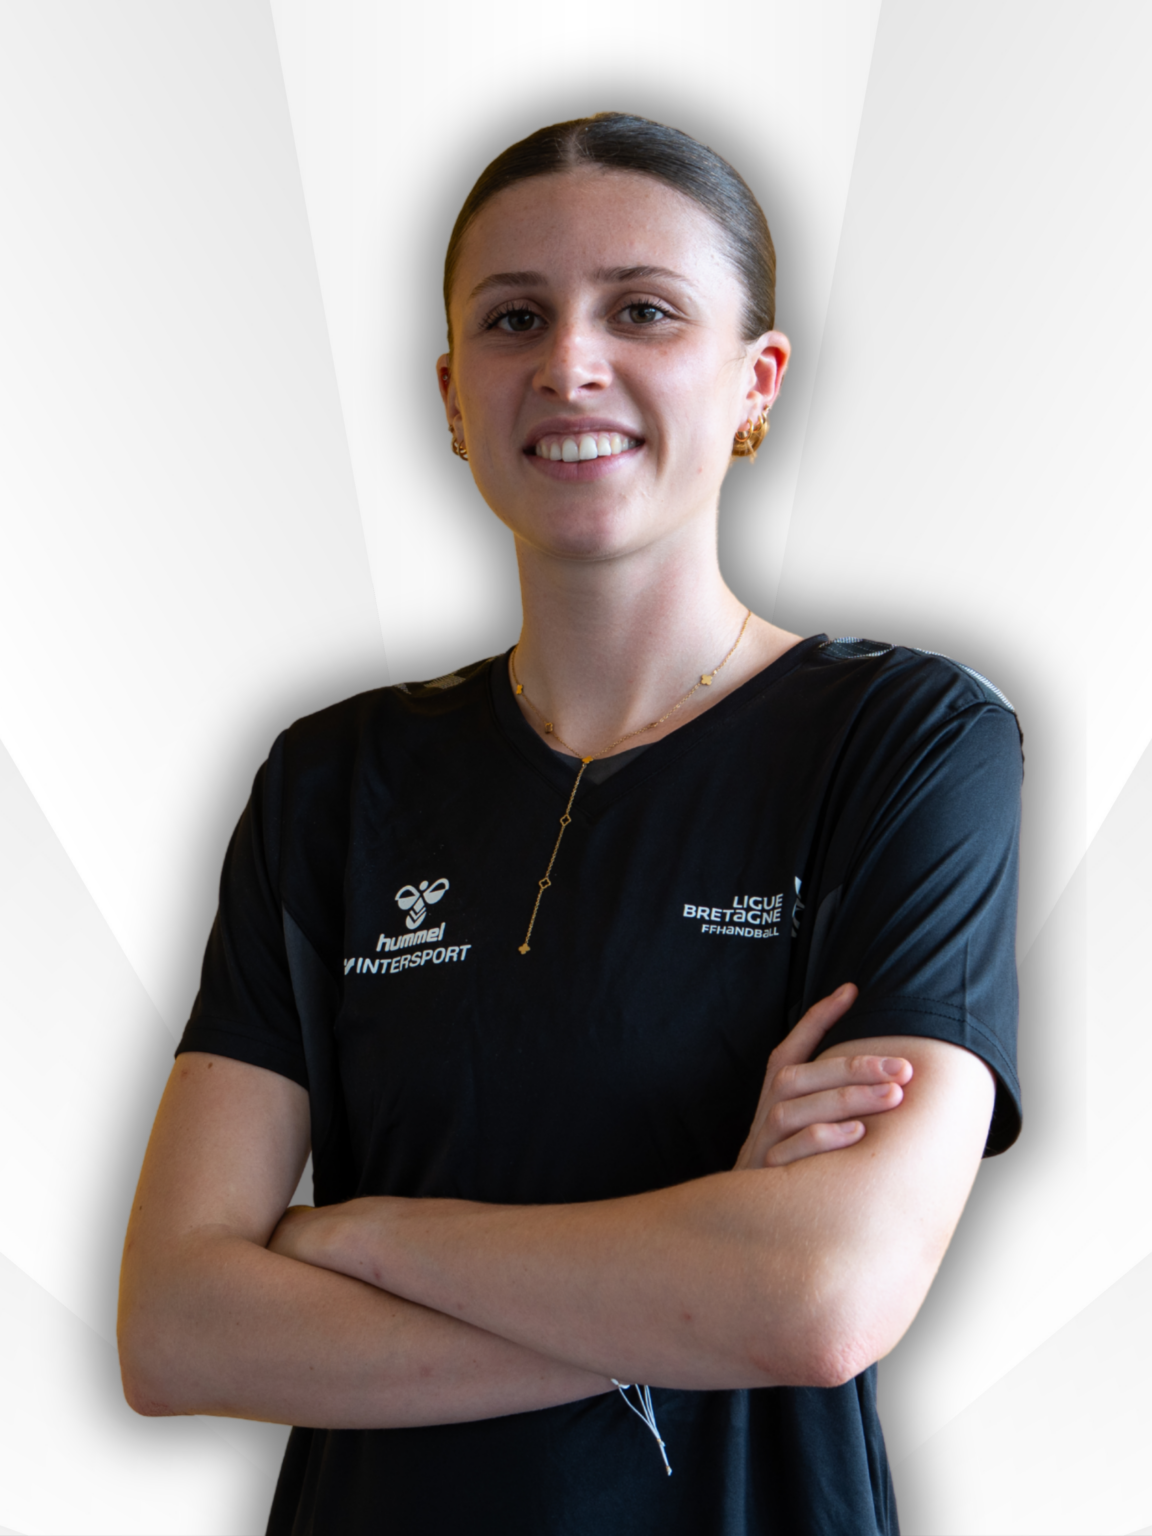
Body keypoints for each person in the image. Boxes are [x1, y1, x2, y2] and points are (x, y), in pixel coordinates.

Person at [117, 113, 1023, 1535]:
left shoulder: (904, 743)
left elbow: (822, 1294)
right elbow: (177, 1328)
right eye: (514, 318)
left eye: (643, 311)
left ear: (756, 382)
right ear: (452, 394)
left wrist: (358, 1236)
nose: (569, 364)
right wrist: (696, 1275)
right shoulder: (331, 781)